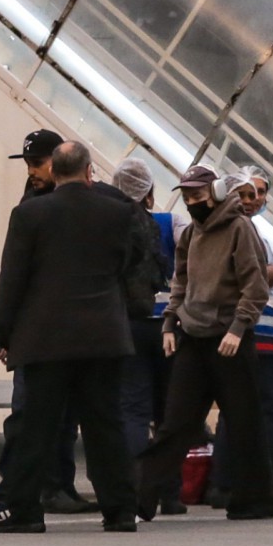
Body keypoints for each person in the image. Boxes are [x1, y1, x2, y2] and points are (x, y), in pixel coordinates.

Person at [0, 141, 138, 533]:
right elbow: (129, 263)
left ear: (53, 171)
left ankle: (25, 512)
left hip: (46, 337)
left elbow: (13, 278)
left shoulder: (30, 214)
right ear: (90, 170)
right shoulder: (119, 213)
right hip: (103, 335)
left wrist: (0, 333)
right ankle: (120, 510)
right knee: (106, 425)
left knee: (37, 428)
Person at [0, 130, 96, 524]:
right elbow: (14, 274)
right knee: (29, 417)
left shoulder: (53, 206)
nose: (31, 171)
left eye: (37, 164)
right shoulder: (33, 201)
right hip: (42, 330)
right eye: (28, 165)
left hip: (56, 330)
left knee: (53, 417)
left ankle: (48, 489)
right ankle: (27, 491)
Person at [136, 164, 273, 522]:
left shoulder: (239, 229)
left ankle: (256, 499)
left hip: (230, 339)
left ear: (215, 193)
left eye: (197, 196)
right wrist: (170, 322)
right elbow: (180, 282)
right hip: (195, 338)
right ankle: (141, 497)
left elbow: (255, 285)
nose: (191, 203)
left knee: (244, 421)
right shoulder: (191, 235)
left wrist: (238, 327)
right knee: (175, 423)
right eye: (186, 197)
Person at [208, 166, 273, 510]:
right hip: (256, 329)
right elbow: (255, 277)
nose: (253, 200)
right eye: (246, 194)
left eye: (259, 193)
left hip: (253, 328)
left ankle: (226, 482)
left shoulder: (238, 228)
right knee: (264, 411)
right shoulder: (242, 230)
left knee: (239, 411)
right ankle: (271, 483)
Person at [113, 157, 190, 515]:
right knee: (168, 411)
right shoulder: (169, 222)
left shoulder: (109, 223)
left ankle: (131, 485)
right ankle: (170, 492)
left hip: (127, 322)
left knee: (132, 409)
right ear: (149, 191)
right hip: (167, 323)